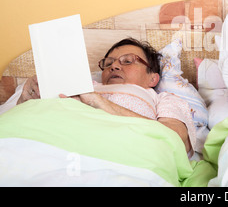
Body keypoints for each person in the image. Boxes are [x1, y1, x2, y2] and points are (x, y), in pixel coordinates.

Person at [15, 38, 195, 155]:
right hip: (52, 147)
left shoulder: (163, 98)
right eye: (108, 63)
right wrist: (26, 100)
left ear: (153, 78)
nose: (114, 66)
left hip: (123, 153)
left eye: (127, 61)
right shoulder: (83, 86)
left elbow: (177, 139)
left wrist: (99, 103)